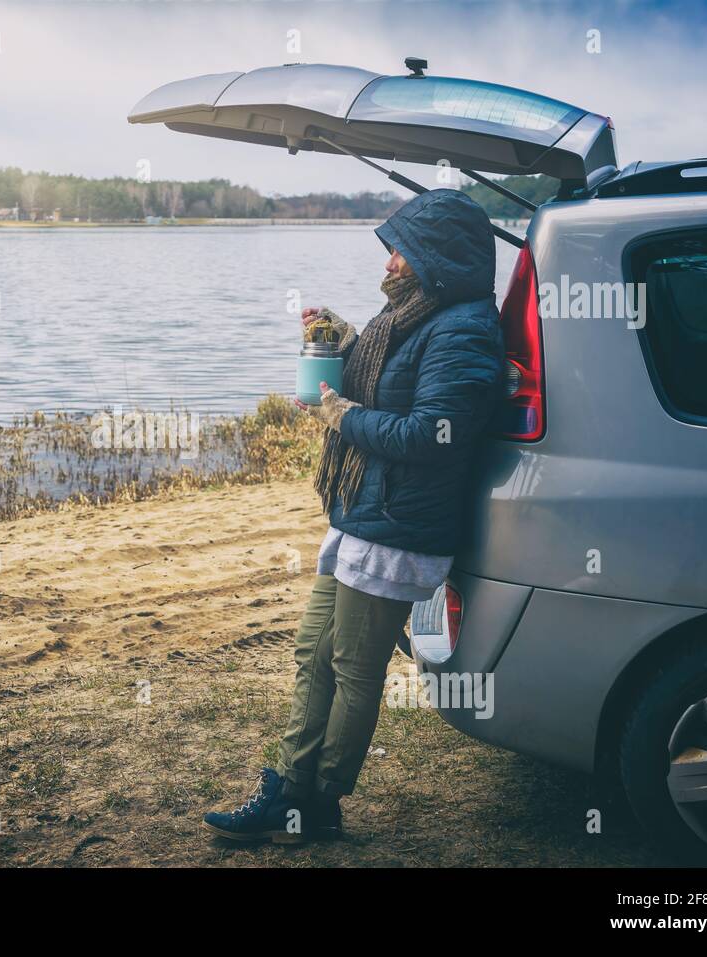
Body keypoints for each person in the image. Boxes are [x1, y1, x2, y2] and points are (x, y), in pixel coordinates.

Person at [203, 188, 505, 843]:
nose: (392, 260)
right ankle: (287, 786)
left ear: (437, 258)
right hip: (361, 516)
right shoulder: (416, 312)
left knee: (354, 668)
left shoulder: (466, 328)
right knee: (313, 653)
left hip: (399, 528)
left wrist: (341, 415)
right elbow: (385, 372)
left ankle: (318, 799)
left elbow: (432, 434)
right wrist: (338, 335)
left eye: (404, 249)